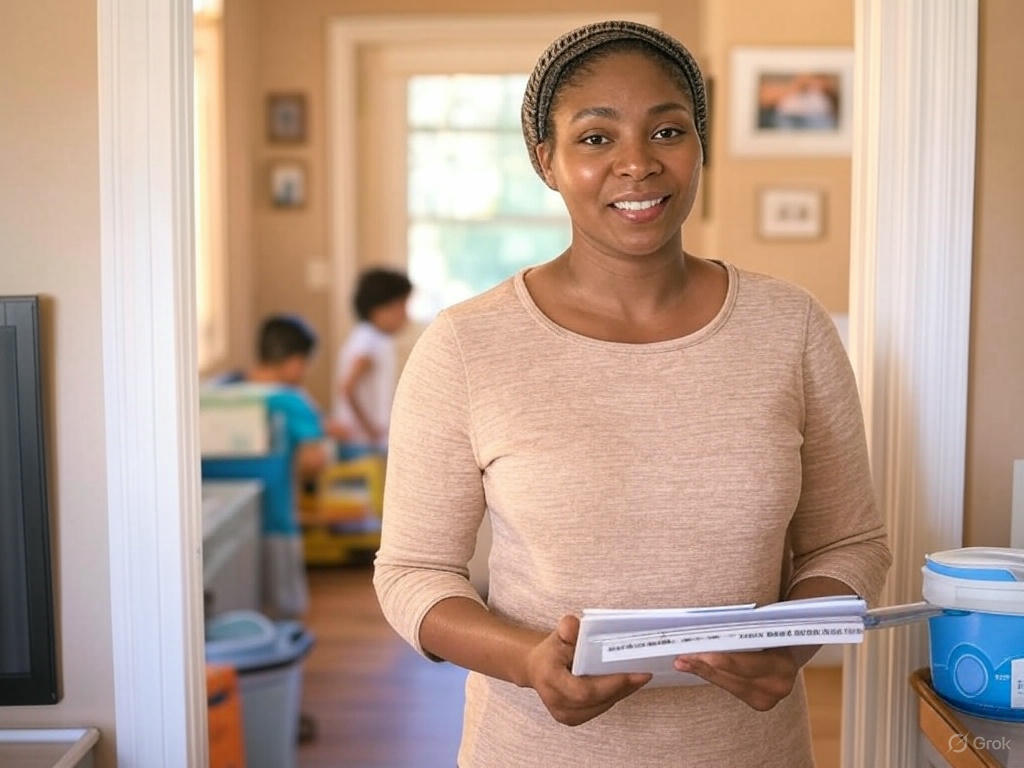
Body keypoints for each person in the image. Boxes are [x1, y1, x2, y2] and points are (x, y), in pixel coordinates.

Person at [374, 20, 891, 768]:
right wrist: (529, 661)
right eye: (595, 138)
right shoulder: (465, 346)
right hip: (534, 750)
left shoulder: (791, 327)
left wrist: (793, 639)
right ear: (545, 161)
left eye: (668, 131)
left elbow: (849, 543)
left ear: (700, 149)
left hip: (749, 752)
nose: (637, 164)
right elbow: (412, 573)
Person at [221, 314, 331, 618]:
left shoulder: (224, 389)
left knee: (235, 601)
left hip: (225, 515)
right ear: (296, 362)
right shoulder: (291, 401)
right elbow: (314, 460)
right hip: (276, 518)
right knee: (284, 607)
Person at [332, 268, 412, 458]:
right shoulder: (369, 341)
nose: (405, 315)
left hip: (363, 441)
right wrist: (370, 430)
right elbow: (347, 387)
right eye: (401, 306)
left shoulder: (370, 337)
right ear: (380, 309)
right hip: (361, 443)